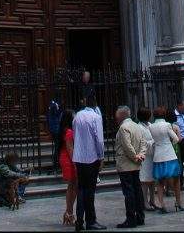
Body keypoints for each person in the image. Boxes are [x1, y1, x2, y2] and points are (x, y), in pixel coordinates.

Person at [72, 91, 106, 232]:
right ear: (96, 104)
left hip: (79, 157)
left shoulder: (77, 116)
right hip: (91, 157)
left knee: (81, 189)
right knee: (90, 191)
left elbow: (75, 134)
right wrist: (101, 156)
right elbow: (99, 140)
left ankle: (79, 220)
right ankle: (91, 220)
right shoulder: (95, 117)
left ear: (86, 102)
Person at [114, 105, 146, 229]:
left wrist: (135, 157)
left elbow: (127, 146)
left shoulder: (123, 128)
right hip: (136, 164)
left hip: (126, 164)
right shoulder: (137, 126)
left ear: (122, 115)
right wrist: (141, 155)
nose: (116, 118)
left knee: (129, 192)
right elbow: (143, 142)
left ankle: (131, 218)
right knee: (137, 190)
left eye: (117, 116)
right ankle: (140, 216)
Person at [150, 104, 183, 213]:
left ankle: (162, 204)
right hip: (169, 155)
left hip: (158, 156)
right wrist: (169, 144)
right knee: (176, 179)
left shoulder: (151, 126)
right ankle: (178, 202)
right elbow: (176, 139)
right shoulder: (167, 125)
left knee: (160, 181)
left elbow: (152, 141)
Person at [58, 109, 77, 227]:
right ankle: (69, 212)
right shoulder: (69, 131)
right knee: (73, 186)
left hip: (65, 157)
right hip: (69, 160)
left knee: (72, 186)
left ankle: (68, 212)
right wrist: (76, 163)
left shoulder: (64, 130)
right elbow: (70, 149)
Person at [136, 107, 156, 212]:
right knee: (145, 181)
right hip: (145, 157)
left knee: (152, 180)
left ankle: (153, 200)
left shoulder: (150, 125)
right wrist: (153, 142)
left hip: (152, 156)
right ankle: (145, 201)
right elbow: (141, 143)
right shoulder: (139, 128)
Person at [48, 95, 63, 172]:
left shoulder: (52, 104)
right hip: (56, 129)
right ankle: (56, 165)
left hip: (54, 129)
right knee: (57, 148)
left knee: (58, 148)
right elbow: (56, 114)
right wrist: (60, 109)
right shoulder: (54, 105)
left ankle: (57, 164)